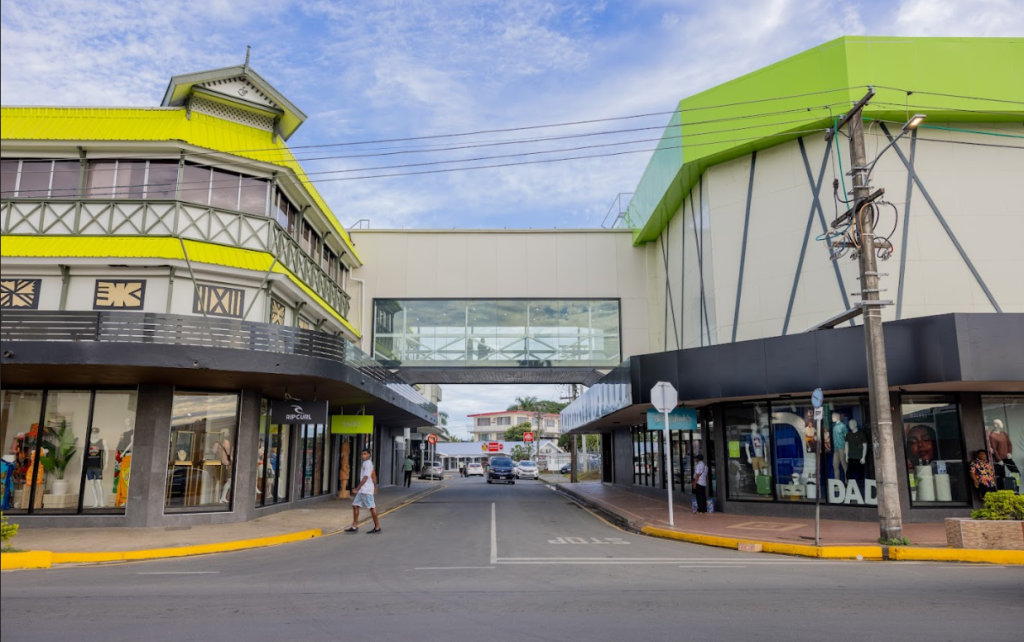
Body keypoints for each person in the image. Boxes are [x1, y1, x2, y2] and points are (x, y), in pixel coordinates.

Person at [345, 449, 381, 534]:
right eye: (362, 454)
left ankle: (377, 527)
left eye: (365, 454)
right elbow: (373, 475)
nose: (363, 456)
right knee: (355, 505)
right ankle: (354, 526)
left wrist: (357, 488)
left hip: (366, 490)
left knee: (372, 507)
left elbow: (365, 477)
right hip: (362, 490)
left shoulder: (368, 464)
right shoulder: (365, 463)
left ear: (369, 455)